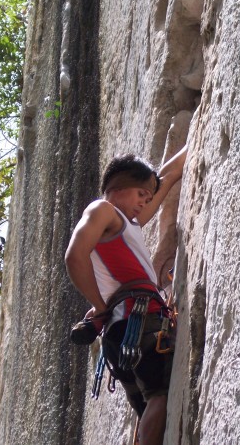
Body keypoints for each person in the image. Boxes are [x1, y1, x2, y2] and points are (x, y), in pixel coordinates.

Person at [65, 145, 188, 445]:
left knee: (149, 408)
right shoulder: (103, 210)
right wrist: (100, 305)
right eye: (141, 195)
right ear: (117, 187)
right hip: (138, 319)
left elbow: (168, 175)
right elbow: (74, 255)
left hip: (121, 334)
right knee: (158, 393)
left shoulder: (127, 224)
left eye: (148, 198)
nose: (144, 202)